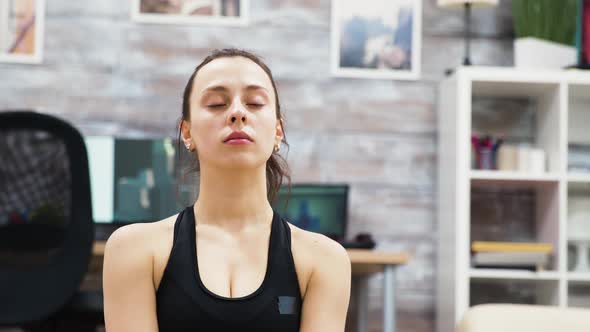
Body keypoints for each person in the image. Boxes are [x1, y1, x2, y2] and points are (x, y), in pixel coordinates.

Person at [103, 48, 351, 331]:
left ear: (278, 132)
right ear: (187, 132)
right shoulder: (133, 251)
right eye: (217, 104)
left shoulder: (325, 261)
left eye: (255, 103)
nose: (237, 113)